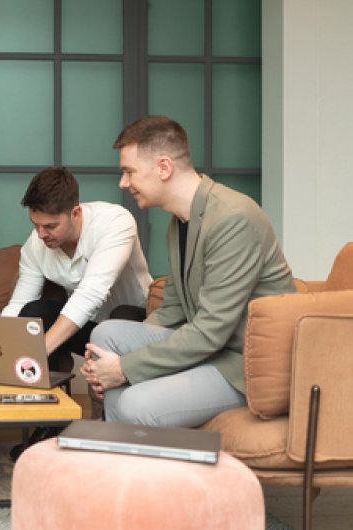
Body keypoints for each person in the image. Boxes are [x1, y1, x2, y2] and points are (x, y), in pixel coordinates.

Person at [82, 115, 295, 428]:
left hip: (243, 364)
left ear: (164, 167)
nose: (123, 183)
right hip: (213, 349)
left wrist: (127, 367)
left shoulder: (233, 218)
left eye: (129, 172)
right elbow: (172, 310)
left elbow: (211, 330)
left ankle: (127, 458)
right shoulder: (180, 220)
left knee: (136, 402)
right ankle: (121, 465)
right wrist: (117, 367)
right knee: (106, 334)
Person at [1, 166, 153, 459]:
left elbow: (91, 295)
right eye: (36, 225)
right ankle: (50, 424)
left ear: (75, 213)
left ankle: (113, 427)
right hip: (87, 327)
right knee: (34, 313)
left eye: (50, 226)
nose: (41, 234)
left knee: (120, 316)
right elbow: (20, 303)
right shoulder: (37, 244)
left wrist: (39, 347)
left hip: (134, 323)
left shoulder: (115, 222)